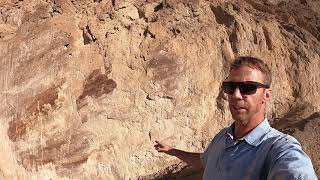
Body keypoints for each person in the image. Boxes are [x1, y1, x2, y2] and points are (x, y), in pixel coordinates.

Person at [154, 56, 318, 180]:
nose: (236, 95)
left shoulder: (279, 148)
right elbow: (204, 161)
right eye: (231, 87)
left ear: (266, 95)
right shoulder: (222, 137)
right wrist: (172, 151)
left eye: (248, 88)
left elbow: (296, 171)